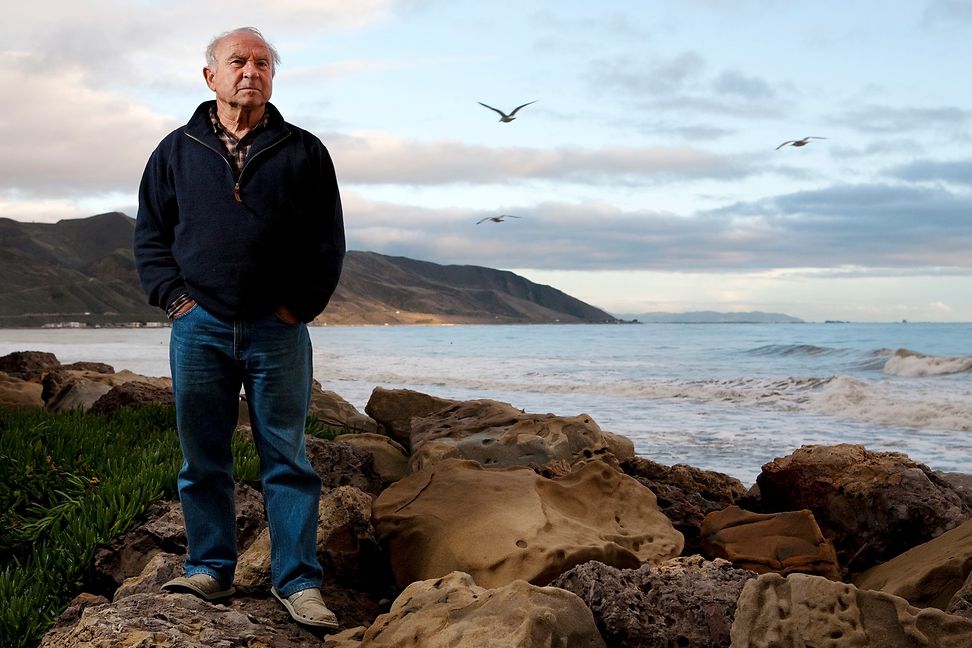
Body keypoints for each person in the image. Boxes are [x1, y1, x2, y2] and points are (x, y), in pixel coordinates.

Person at [134, 26, 345, 630]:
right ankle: (209, 569)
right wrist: (176, 302)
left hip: (277, 331)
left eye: (261, 63)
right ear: (211, 77)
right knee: (204, 457)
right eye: (237, 62)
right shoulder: (174, 151)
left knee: (288, 458)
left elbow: (327, 241)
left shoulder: (305, 152)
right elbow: (150, 235)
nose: (249, 71)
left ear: (272, 78)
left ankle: (298, 583)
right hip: (198, 328)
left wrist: (296, 308)